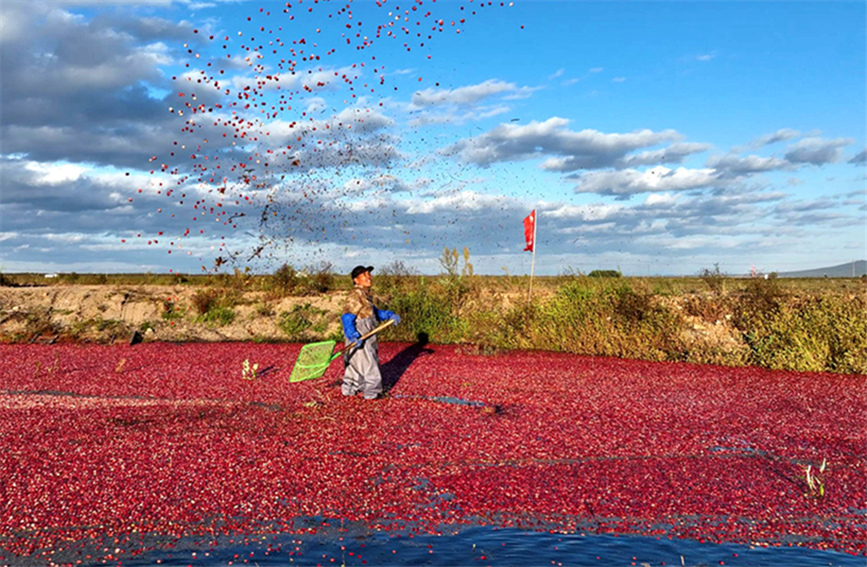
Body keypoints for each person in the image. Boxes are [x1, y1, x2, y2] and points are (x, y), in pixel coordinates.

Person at [340, 265, 400, 399]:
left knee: (355, 361)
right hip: (360, 331)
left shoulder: (365, 294)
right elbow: (347, 316)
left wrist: (389, 315)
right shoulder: (355, 295)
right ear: (356, 280)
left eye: (369, 274)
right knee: (369, 361)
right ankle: (372, 392)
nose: (369, 277)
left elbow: (374, 313)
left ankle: (350, 389)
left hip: (365, 330)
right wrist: (352, 334)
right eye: (364, 275)